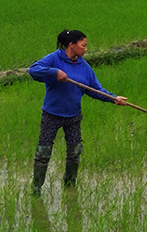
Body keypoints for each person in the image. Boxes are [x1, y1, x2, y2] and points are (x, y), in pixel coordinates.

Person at [28, 30, 128, 196]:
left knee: (75, 152)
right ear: (71, 45)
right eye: (83, 45)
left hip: (73, 116)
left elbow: (95, 89)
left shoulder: (84, 66)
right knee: (43, 153)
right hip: (52, 114)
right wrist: (55, 72)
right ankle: (36, 190)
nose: (85, 49)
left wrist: (113, 98)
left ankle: (69, 185)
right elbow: (34, 70)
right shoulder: (54, 59)